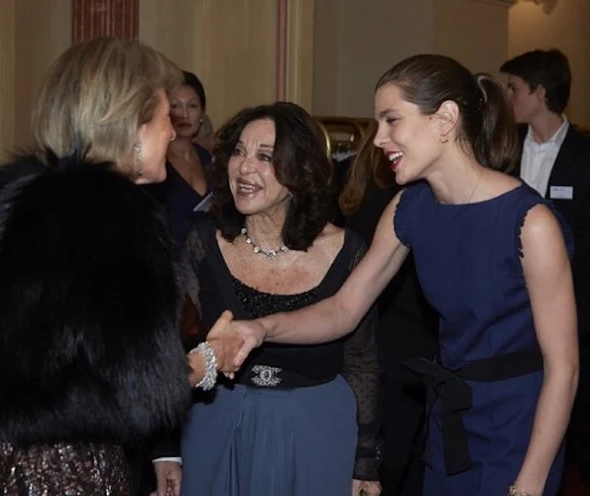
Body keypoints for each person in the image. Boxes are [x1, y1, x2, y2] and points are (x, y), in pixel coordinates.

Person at [230, 54, 579, 496]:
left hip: (520, 427)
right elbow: (344, 309)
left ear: (445, 119)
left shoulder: (530, 222)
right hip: (449, 418)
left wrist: (530, 482)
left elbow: (563, 367)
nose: (379, 139)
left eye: (392, 120)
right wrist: (261, 328)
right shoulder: (409, 207)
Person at [0, 37, 241, 496]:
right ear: (132, 124)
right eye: (167, 116)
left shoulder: (17, 202)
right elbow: (139, 391)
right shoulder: (115, 222)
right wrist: (211, 358)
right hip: (68, 474)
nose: (174, 130)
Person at [164, 101, 382, 495]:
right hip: (216, 423)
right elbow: (167, 349)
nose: (244, 167)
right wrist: (166, 452)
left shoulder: (348, 251)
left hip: (317, 430)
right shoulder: (202, 243)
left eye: (265, 157)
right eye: (239, 152)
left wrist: (366, 461)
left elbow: (362, 361)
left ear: (301, 172)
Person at [500, 49, 590, 488]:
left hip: (574, 309)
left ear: (539, 92)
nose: (507, 96)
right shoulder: (503, 150)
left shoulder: (586, 156)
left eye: (514, 88)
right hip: (511, 310)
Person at [338, 121, 438, 495]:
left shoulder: (360, 180)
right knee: (400, 452)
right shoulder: (407, 197)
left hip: (383, 332)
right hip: (401, 336)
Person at [145, 70, 214, 252]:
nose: (184, 114)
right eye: (175, 106)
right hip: (166, 258)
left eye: (192, 106)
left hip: (206, 257)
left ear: (202, 113)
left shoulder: (207, 157)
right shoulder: (154, 161)